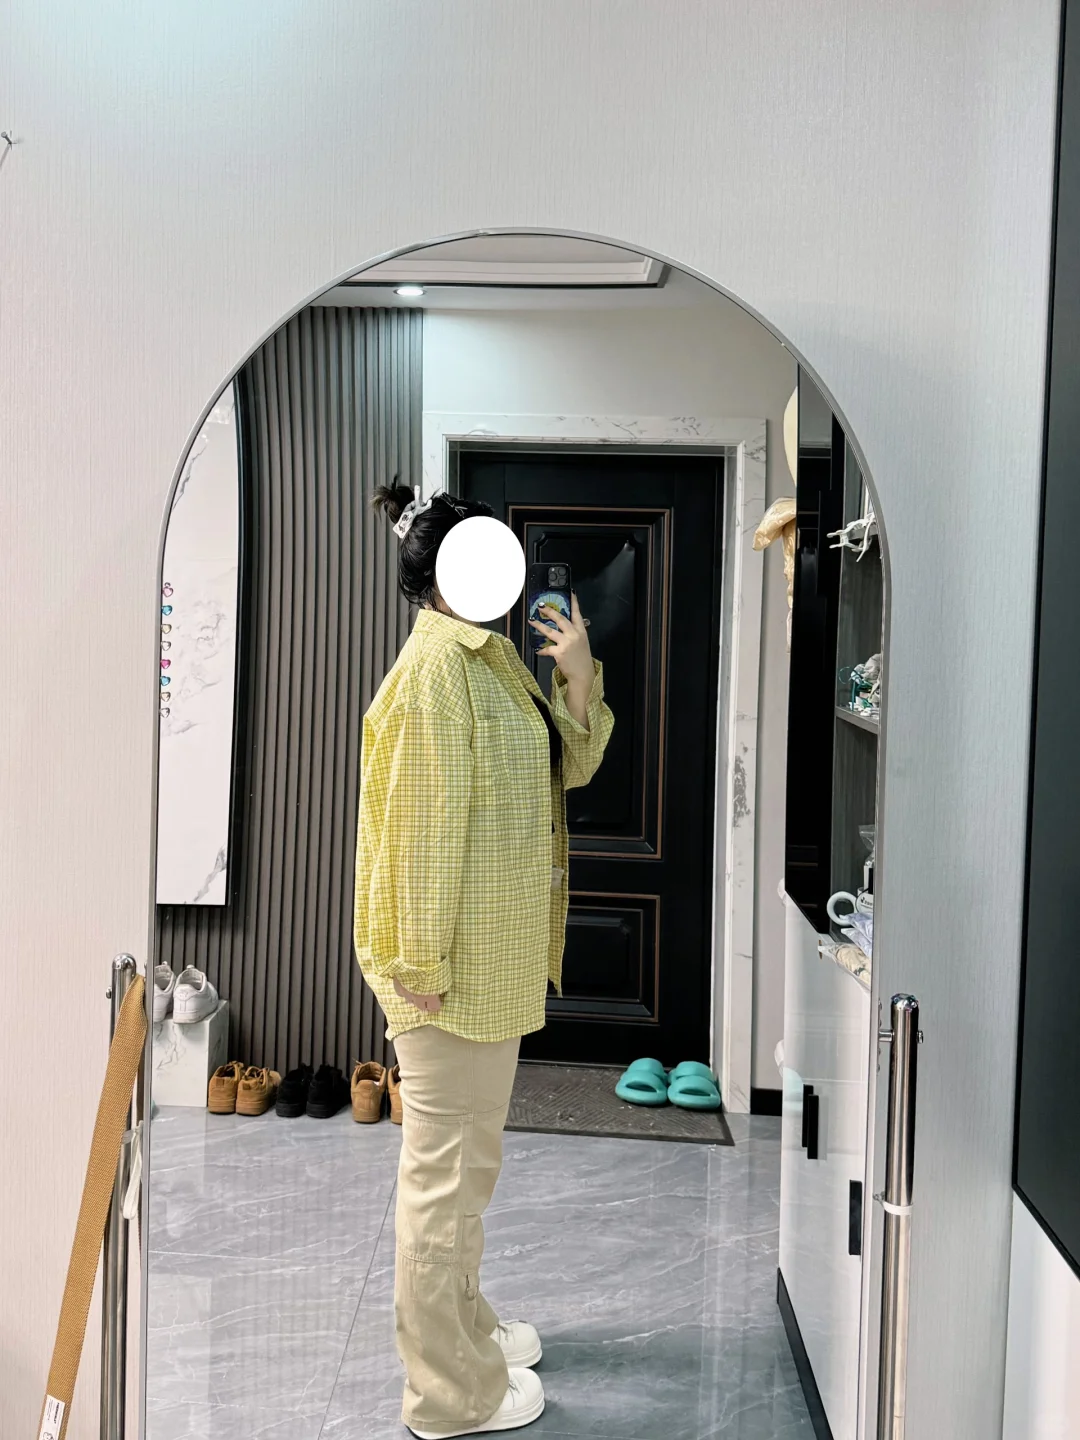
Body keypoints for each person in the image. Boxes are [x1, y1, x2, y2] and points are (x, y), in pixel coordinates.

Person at [354, 483, 613, 1438]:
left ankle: (467, 1332)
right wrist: (420, 969)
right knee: (442, 1182)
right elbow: (420, 835)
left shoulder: (488, 656)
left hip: (487, 966)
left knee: (468, 1175)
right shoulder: (435, 674)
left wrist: (578, 675)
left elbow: (567, 766)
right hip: (448, 978)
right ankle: (447, 1395)